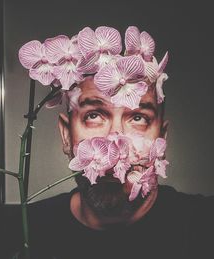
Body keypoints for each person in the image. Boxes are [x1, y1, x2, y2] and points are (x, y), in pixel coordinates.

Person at [16, 26, 214, 259]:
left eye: (138, 118)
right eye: (94, 116)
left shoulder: (201, 225)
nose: (115, 141)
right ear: (66, 136)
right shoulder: (25, 230)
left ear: (163, 137)